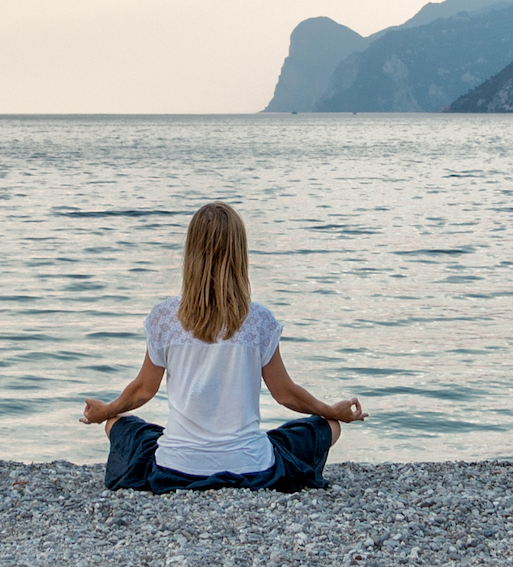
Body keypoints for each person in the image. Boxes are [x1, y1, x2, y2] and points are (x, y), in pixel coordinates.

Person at [79, 202, 365, 493]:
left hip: (175, 467)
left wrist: (106, 410)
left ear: (191, 253)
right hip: (251, 466)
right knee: (330, 428)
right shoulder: (259, 320)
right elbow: (286, 394)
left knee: (117, 423)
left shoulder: (164, 317)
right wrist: (331, 410)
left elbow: (142, 390)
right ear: (240, 255)